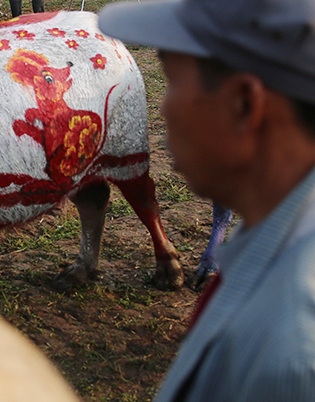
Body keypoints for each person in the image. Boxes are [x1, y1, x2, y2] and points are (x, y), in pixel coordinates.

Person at [98, 0, 315, 401]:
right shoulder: (273, 237)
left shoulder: (287, 354)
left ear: (243, 104)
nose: (164, 109)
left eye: (173, 82)